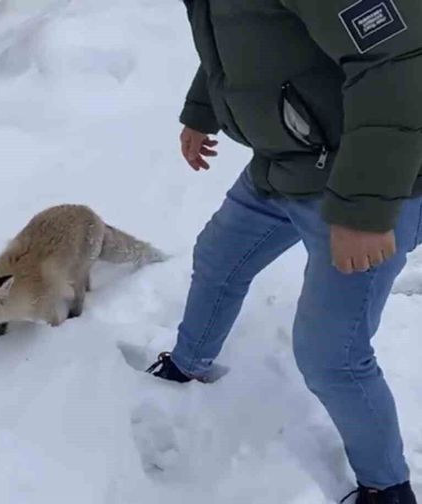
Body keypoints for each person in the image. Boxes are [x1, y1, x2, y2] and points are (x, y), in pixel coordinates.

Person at [146, 1, 422, 502]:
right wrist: (202, 112)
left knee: (331, 355)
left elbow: (395, 60)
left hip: (366, 182)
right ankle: (187, 365)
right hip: (285, 167)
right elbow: (233, 38)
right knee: (218, 257)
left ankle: (388, 488)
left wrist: (363, 207)